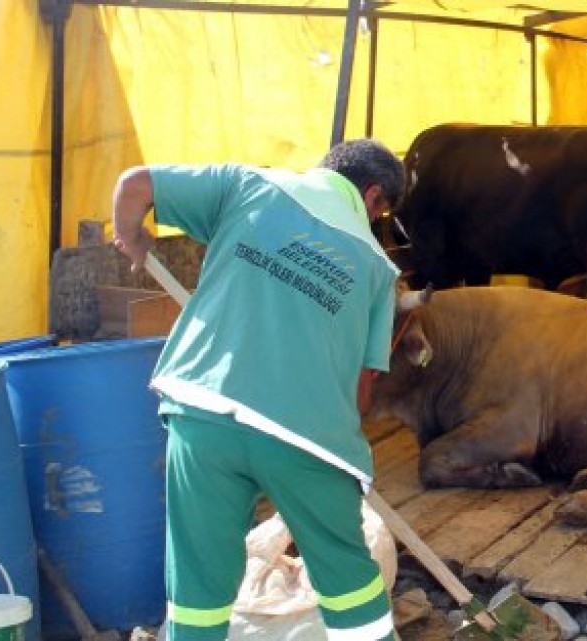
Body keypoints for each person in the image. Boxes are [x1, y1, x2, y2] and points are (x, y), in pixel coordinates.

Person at [110, 139, 405, 641]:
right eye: (381, 211)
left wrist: (132, 238)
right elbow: (359, 394)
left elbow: (134, 185)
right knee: (349, 582)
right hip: (308, 436)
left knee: (199, 587)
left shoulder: (249, 184)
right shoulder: (378, 268)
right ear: (374, 197)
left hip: (203, 411)